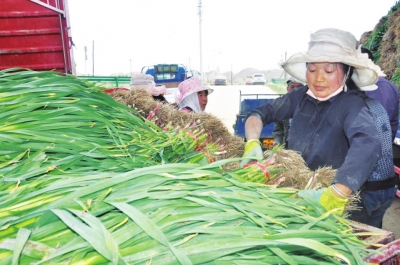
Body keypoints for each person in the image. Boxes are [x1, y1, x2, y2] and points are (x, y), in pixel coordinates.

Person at [240, 28, 397, 224]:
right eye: (312, 70)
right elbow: (260, 114)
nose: (319, 78)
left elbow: (367, 142)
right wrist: (252, 142)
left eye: (329, 70)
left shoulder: (352, 104)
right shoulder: (300, 96)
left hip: (338, 202)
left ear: (346, 72)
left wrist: (338, 192)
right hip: (303, 192)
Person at [272, 78, 303, 147]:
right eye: (292, 87)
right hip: (289, 146)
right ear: (287, 89)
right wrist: (277, 142)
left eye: (299, 87)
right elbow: (279, 130)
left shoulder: (312, 105)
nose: (295, 89)